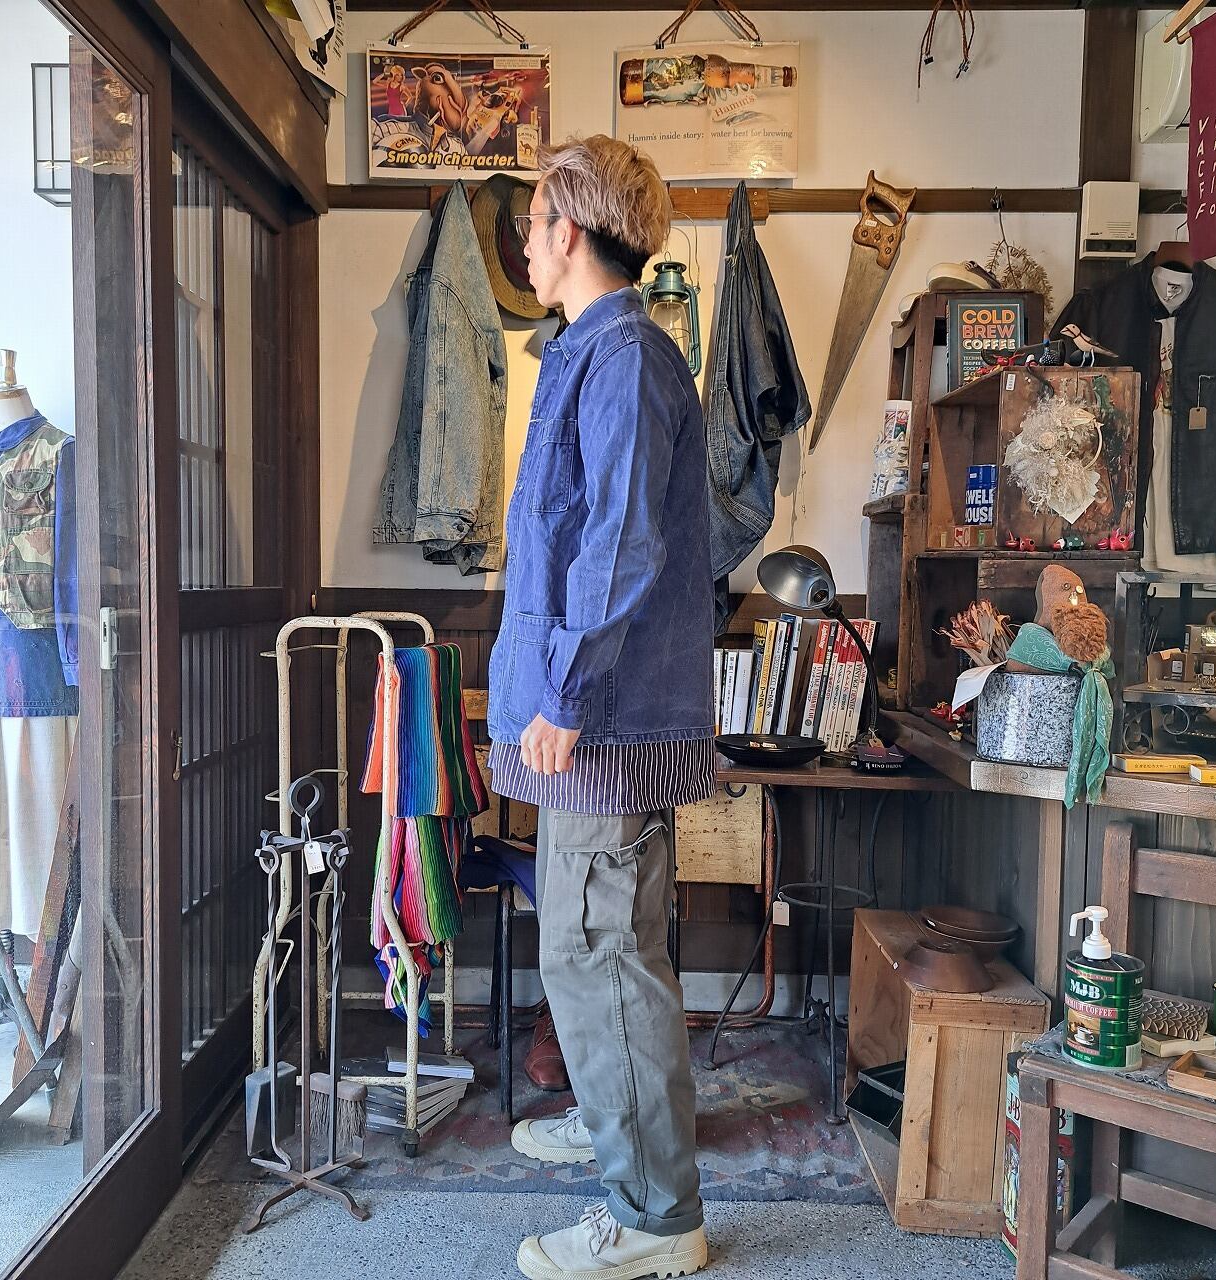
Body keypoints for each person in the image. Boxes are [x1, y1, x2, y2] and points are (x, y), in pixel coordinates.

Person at [486, 134, 715, 1280]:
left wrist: (567, 693)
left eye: (530, 225)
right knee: (602, 946)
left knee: (598, 952)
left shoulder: (620, 354)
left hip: (602, 719)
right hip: (594, 714)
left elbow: (618, 542)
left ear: (567, 230)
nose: (524, 245)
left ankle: (654, 1214)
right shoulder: (592, 348)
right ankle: (615, 1118)